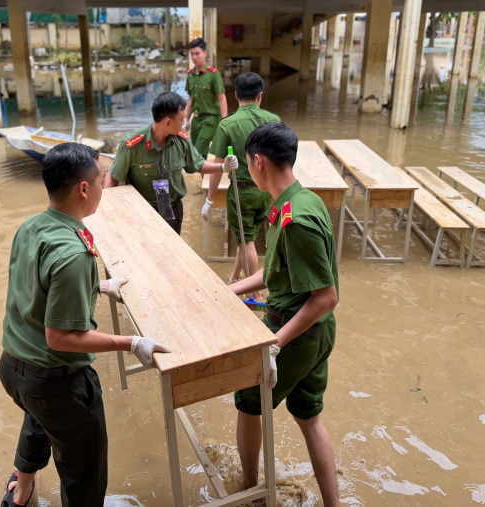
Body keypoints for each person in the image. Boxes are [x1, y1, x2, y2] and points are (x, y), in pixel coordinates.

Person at [0, 143, 172, 507]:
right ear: (83, 188)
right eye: (102, 180)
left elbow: (35, 289)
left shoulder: (32, 227)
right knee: (84, 473)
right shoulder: (75, 254)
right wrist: (130, 343)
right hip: (55, 382)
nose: (104, 187)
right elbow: (61, 337)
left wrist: (98, 285)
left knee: (40, 416)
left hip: (14, 368)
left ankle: (22, 487)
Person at [229, 123, 341, 507]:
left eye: (247, 164)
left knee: (247, 401)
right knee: (309, 417)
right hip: (316, 334)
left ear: (258, 161)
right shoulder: (300, 202)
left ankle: (249, 491)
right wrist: (230, 290)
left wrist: (276, 343)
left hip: (297, 332)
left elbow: (326, 297)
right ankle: (333, 503)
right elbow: (276, 271)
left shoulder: (296, 221)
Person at [106, 92, 237, 234]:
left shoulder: (181, 141)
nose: (184, 124)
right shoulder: (132, 145)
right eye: (181, 120)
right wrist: (109, 213)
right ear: (168, 122)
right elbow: (113, 177)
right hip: (141, 211)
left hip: (172, 210)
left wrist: (222, 167)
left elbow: (198, 165)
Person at [203, 72, 281, 292]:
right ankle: (235, 276)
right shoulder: (274, 120)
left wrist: (209, 199)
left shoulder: (227, 125)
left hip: (242, 193)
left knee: (247, 242)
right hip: (269, 193)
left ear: (236, 95)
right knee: (245, 237)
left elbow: (219, 166)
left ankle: (253, 291)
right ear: (260, 96)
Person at [184, 37, 228, 159]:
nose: (194, 57)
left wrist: (224, 121)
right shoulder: (190, 75)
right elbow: (190, 99)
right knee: (197, 155)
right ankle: (204, 177)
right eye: (192, 54)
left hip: (210, 120)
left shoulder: (213, 75)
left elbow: (222, 98)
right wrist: (187, 120)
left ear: (205, 53)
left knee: (197, 153)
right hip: (196, 121)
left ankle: (207, 176)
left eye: (197, 53)